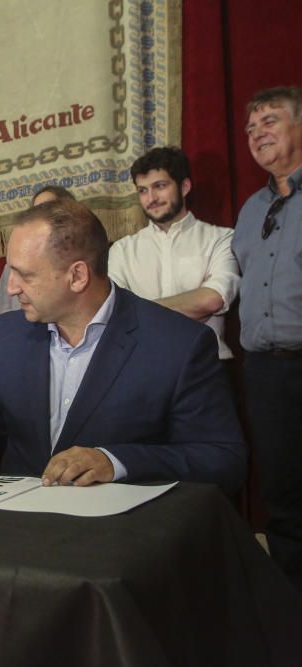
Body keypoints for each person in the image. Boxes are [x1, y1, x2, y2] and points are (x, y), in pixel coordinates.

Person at [0, 200, 247, 494]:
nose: (12, 288)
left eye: (24, 275)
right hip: (19, 538)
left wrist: (114, 462)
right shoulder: (6, 334)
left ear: (77, 276)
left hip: (123, 543)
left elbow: (221, 458)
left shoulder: (177, 343)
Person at [232, 85, 302, 590]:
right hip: (265, 371)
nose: (258, 134)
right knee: (282, 492)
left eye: (270, 121)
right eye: (251, 128)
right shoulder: (251, 209)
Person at [109, 146, 239, 359]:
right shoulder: (122, 250)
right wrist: (191, 301)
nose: (151, 198)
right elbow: (116, 313)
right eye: (142, 190)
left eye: (159, 186)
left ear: (185, 186)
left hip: (207, 364)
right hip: (144, 366)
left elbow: (212, 300)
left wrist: (139, 310)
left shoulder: (221, 238)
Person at [0, 185, 76, 316]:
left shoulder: (86, 257)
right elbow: (3, 317)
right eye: (35, 211)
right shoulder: (11, 267)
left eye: (47, 209)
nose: (12, 289)